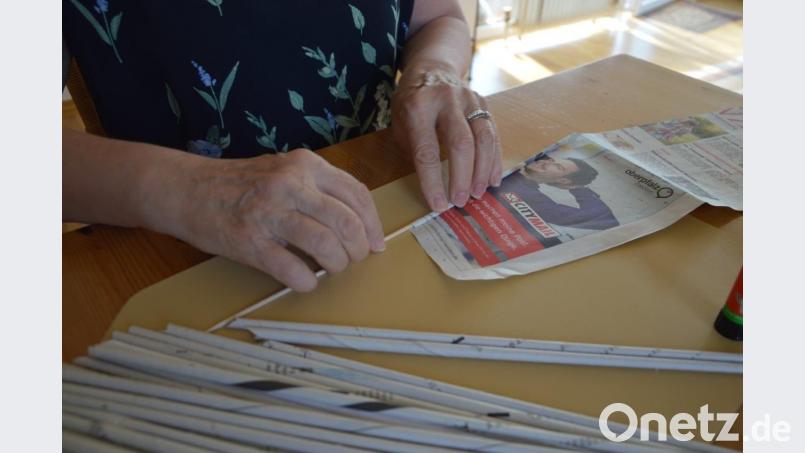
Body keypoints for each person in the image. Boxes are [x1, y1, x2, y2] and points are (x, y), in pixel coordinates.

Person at [63, 0, 502, 292]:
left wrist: (436, 70)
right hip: (187, 259)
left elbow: (436, 16)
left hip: (383, 211)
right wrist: (194, 188)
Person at [493, 156, 619, 230]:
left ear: (563, 180)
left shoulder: (532, 197)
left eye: (558, 167)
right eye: (552, 160)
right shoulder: (517, 162)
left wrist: (578, 189)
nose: (545, 162)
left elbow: (604, 221)